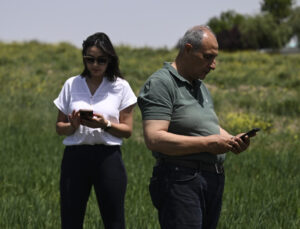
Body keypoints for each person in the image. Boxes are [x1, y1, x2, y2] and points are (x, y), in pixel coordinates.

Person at [138, 25, 255, 229]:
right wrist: (207, 144)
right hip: (181, 180)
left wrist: (231, 139)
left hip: (211, 179)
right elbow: (154, 138)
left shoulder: (200, 86)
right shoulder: (161, 83)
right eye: (208, 57)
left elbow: (207, 127)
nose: (213, 65)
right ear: (188, 49)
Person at [54, 32, 137, 229]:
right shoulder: (71, 84)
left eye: (101, 60)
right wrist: (73, 125)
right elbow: (59, 127)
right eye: (90, 59)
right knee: (70, 220)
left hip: (108, 157)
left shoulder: (121, 86)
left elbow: (127, 130)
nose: (95, 64)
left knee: (114, 221)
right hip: (75, 157)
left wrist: (105, 124)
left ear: (110, 59)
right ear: (84, 59)